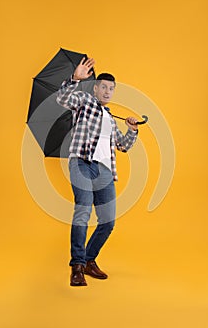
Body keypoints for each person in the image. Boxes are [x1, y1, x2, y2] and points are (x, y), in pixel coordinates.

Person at [56, 57, 139, 286]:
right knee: (82, 212)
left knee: (108, 221)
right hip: (82, 163)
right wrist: (74, 78)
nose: (107, 91)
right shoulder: (84, 102)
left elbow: (122, 146)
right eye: (103, 86)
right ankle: (77, 266)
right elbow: (62, 98)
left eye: (111, 88)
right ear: (95, 88)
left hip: (104, 171)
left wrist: (131, 130)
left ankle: (89, 260)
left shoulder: (111, 119)